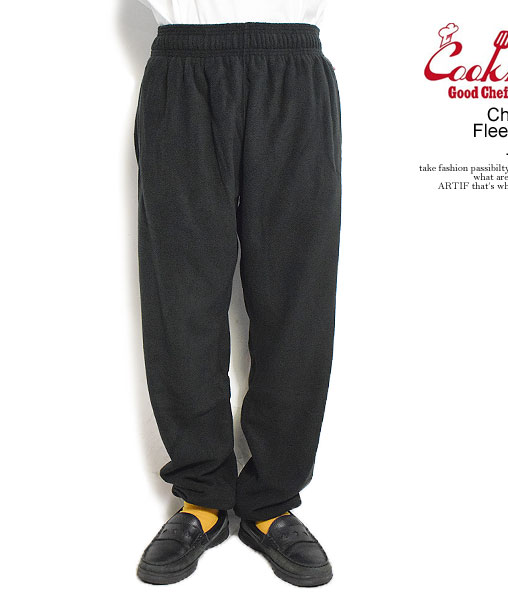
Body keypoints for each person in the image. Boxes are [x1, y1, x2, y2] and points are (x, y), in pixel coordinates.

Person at [133, 0, 342, 588]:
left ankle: (271, 502)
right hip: (183, 72)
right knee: (182, 298)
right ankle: (201, 497)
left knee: (296, 298)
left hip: (293, 71)